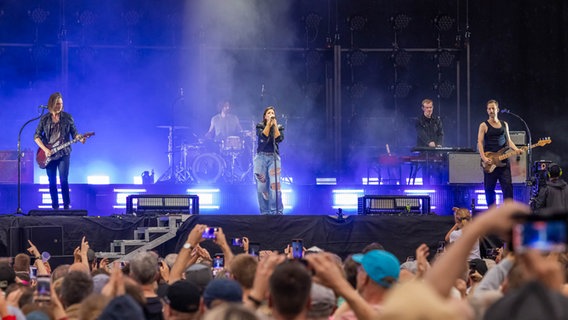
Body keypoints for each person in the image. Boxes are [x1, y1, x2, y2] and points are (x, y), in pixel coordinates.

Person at [34, 92, 85, 210]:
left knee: (63, 180)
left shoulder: (68, 118)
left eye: (61, 104)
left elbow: (74, 133)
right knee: (51, 181)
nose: (60, 106)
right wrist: (45, 149)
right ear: (52, 104)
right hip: (49, 153)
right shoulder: (45, 119)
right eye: (57, 104)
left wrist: (79, 138)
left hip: (63, 153)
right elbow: (36, 136)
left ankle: (66, 206)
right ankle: (55, 207)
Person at [478, 99, 523, 207]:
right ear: (487, 110)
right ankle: (492, 213)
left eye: (493, 108)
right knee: (489, 189)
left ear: (497, 109)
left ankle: (508, 213)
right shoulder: (483, 125)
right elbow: (479, 142)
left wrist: (516, 149)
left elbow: (508, 141)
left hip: (503, 162)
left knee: (507, 187)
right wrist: (483, 157)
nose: (491, 110)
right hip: (490, 161)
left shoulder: (504, 124)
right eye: (489, 109)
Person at [253, 106, 284, 215]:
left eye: (272, 113)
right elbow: (264, 136)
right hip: (261, 158)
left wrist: (274, 125)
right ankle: (265, 213)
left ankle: (276, 211)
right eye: (269, 113)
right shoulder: (260, 126)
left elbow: (278, 138)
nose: (271, 114)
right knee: (262, 186)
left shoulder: (279, 127)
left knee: (275, 185)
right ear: (265, 116)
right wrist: (268, 124)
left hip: (274, 158)